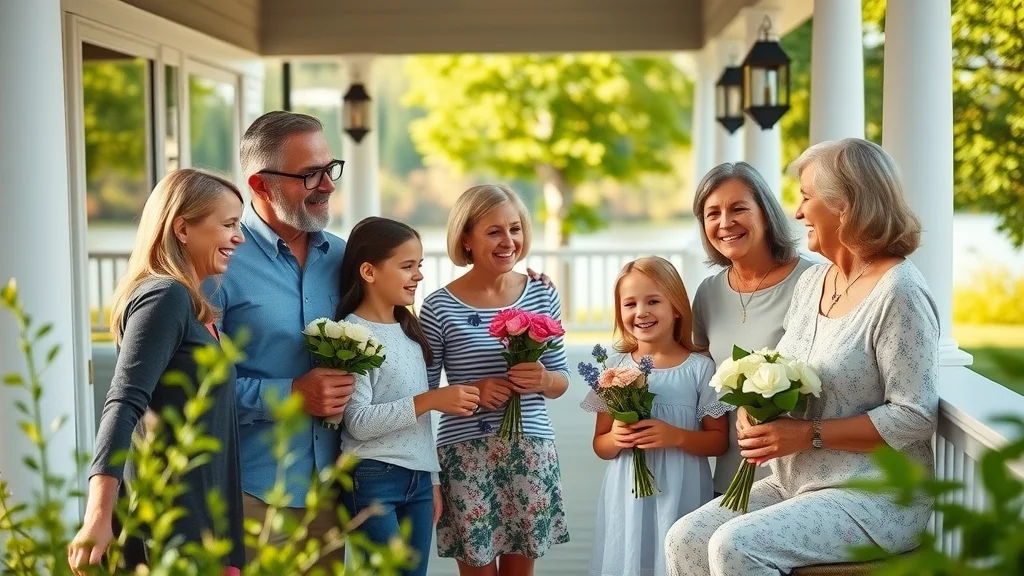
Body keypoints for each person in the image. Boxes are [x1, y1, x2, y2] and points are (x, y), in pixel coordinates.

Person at [665, 138, 940, 575]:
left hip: (875, 496)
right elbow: (787, 371)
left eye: (807, 198)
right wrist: (751, 409)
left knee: (737, 545)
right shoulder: (815, 284)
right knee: (687, 537)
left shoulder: (898, 291)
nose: (796, 212)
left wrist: (808, 434)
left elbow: (914, 414)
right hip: (798, 483)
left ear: (845, 205)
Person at [68, 169, 246, 573]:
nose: (239, 238)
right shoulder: (164, 297)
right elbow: (123, 402)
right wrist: (97, 515)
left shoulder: (192, 304)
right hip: (171, 525)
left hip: (206, 521)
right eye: (228, 225)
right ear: (182, 228)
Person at [205, 111, 353, 565]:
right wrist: (289, 394)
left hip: (333, 493)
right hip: (253, 494)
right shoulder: (220, 265)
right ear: (260, 185)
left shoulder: (345, 257)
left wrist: (518, 285)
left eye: (329, 169)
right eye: (309, 174)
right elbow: (201, 388)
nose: (327, 185)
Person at [420, 184, 571, 576]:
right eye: (494, 232)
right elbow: (424, 396)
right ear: (465, 239)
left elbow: (563, 381)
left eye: (515, 228)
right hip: (464, 456)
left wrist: (542, 379)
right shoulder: (437, 307)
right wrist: (473, 393)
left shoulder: (541, 293)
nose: (509, 241)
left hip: (531, 453)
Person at [335, 217, 481, 576]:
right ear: (368, 271)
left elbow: (419, 427)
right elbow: (357, 422)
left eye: (419, 266)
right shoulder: (351, 334)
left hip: (416, 479)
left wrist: (430, 479)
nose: (418, 276)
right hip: (370, 478)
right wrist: (432, 399)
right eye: (407, 266)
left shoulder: (411, 332)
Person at [583, 256, 728, 576]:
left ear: (676, 306)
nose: (641, 312)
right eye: (630, 304)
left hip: (683, 489)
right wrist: (616, 437)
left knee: (675, 558)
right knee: (630, 557)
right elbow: (600, 444)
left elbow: (719, 441)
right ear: (620, 312)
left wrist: (676, 436)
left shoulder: (700, 368)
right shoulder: (612, 369)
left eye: (653, 301)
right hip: (627, 494)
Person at [689, 162, 815, 495]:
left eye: (738, 209)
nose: (725, 223)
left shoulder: (813, 282)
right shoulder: (708, 293)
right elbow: (699, 378)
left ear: (766, 212)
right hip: (728, 479)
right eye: (712, 213)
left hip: (796, 479)